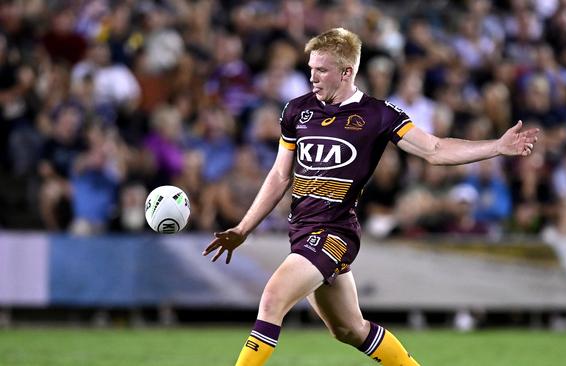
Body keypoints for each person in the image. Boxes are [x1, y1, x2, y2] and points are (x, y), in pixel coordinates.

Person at [203, 28, 539, 366]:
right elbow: (279, 175)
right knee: (349, 329)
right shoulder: (296, 111)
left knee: (273, 298)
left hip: (334, 232)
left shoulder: (378, 115)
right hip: (302, 231)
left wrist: (496, 147)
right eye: (310, 68)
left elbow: (434, 150)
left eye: (321, 70)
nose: (312, 77)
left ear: (347, 72)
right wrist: (244, 228)